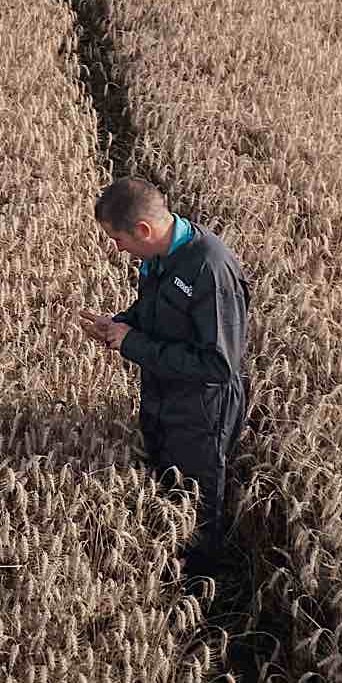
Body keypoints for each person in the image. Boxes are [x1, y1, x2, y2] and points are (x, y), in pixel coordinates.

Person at [78, 177, 249, 571]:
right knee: (163, 487)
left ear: (143, 230)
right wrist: (117, 326)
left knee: (197, 510)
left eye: (117, 239)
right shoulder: (156, 258)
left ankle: (199, 590)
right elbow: (153, 313)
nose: (116, 248)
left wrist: (133, 344)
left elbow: (219, 366)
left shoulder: (209, 269)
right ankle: (163, 569)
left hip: (201, 414)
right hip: (161, 396)